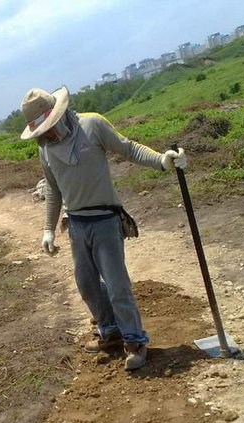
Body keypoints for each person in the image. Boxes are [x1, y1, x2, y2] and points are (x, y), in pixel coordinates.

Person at [19, 86, 186, 371]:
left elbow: (129, 148)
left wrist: (162, 160)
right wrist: (48, 228)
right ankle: (110, 332)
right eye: (40, 132)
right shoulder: (45, 149)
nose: (45, 135)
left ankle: (135, 341)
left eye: (46, 128)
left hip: (105, 220)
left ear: (58, 116)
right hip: (77, 224)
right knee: (86, 284)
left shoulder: (92, 125)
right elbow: (53, 189)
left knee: (117, 284)